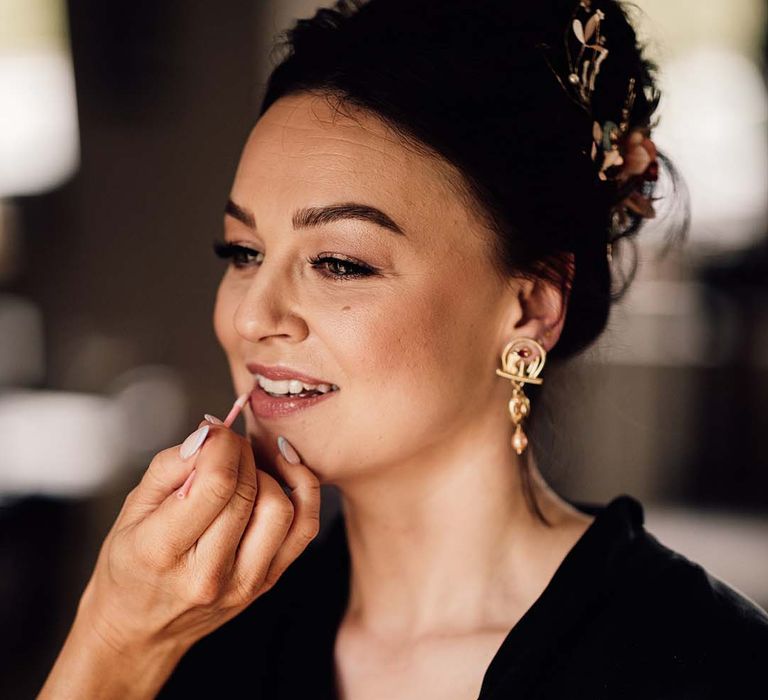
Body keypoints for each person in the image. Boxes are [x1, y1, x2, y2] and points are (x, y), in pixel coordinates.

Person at [40, 0, 768, 698]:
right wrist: (113, 636)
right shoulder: (197, 629)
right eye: (242, 252)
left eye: (340, 263)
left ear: (530, 305)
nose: (252, 316)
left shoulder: (710, 665)